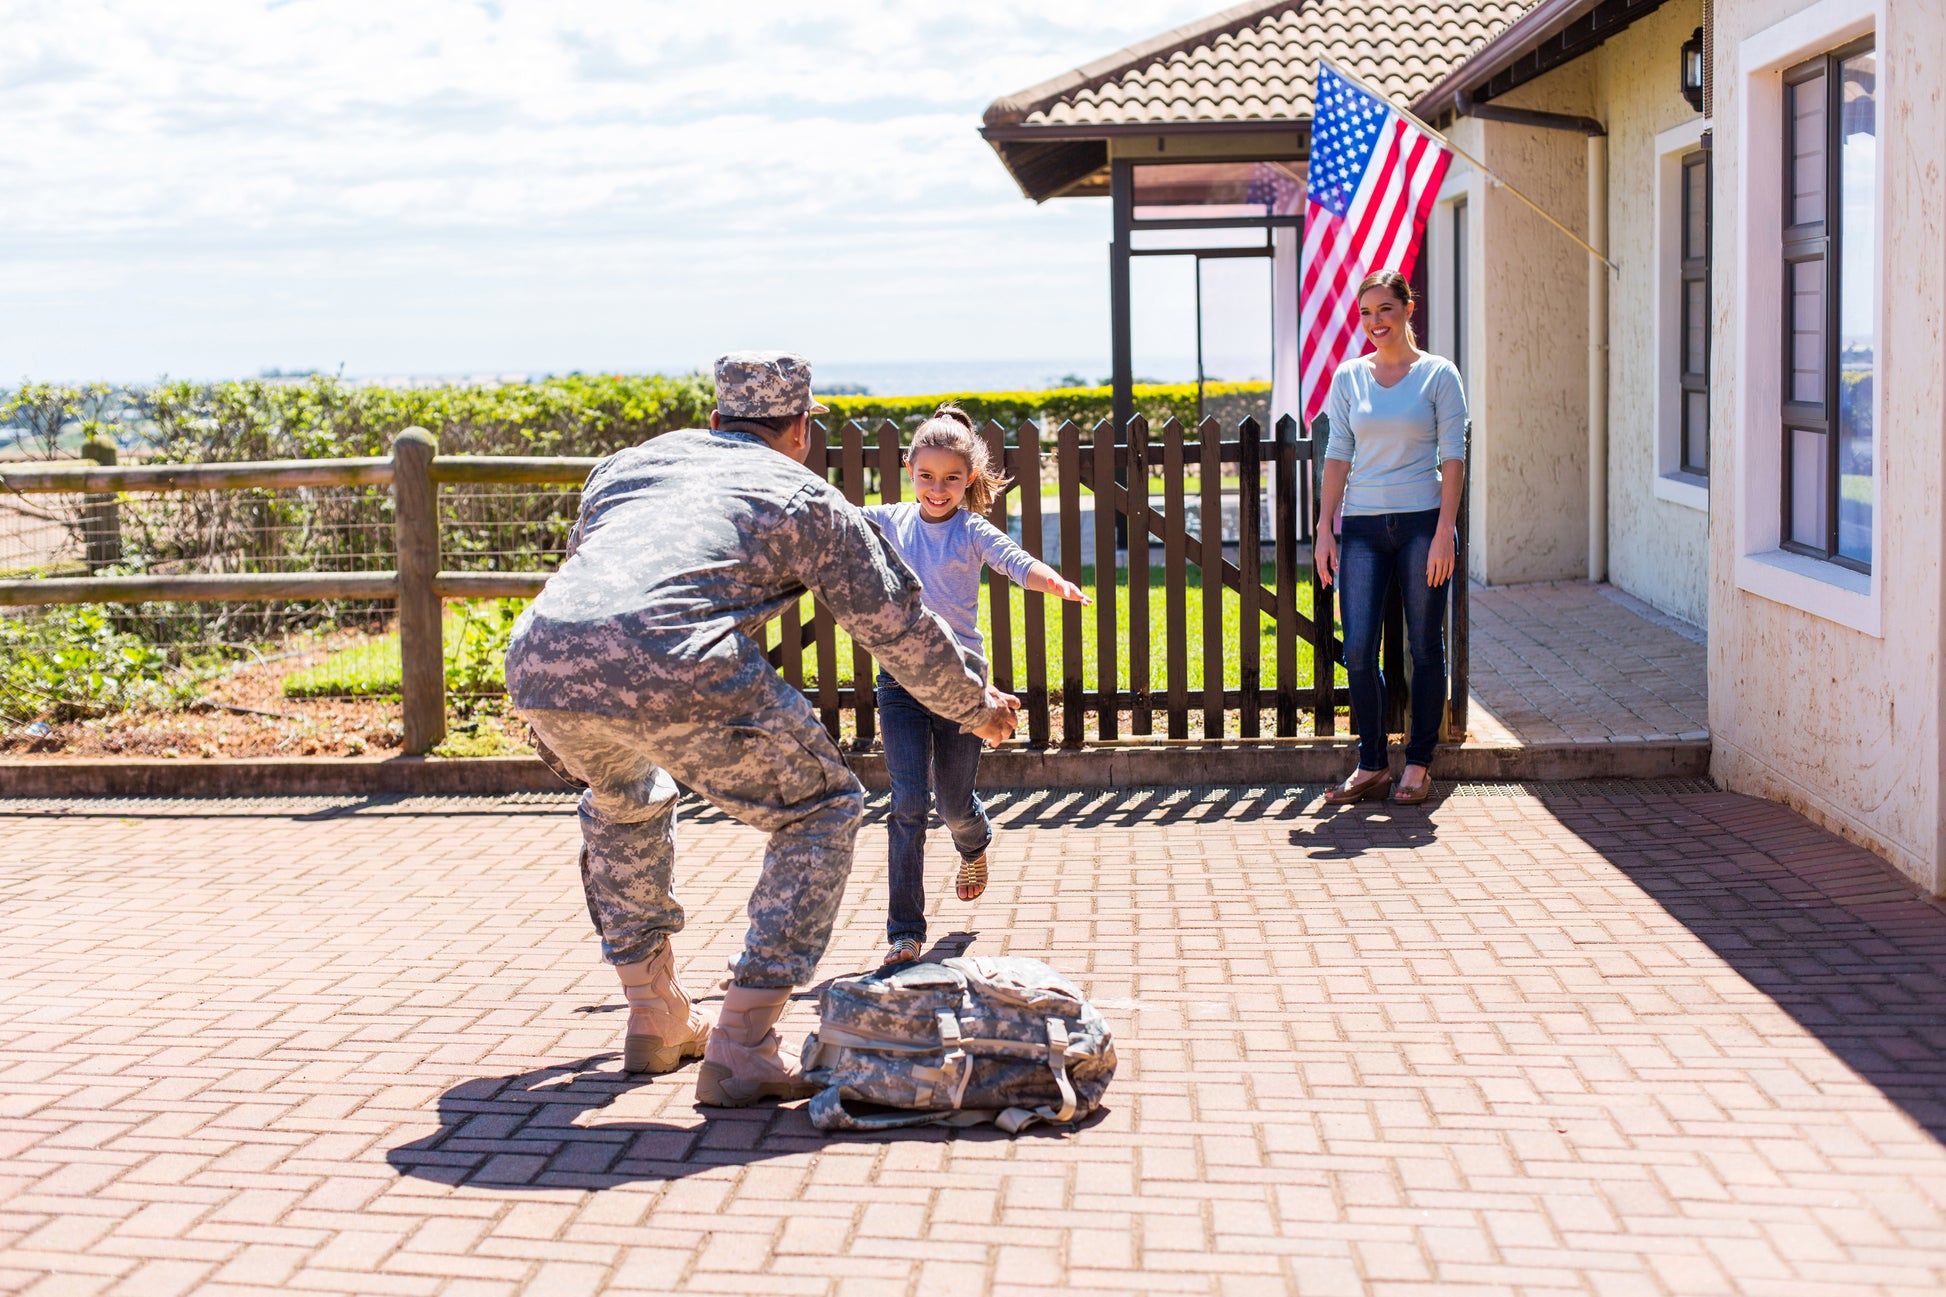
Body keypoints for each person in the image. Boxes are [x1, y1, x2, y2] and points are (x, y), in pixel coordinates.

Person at [505, 352, 1020, 1108]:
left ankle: (655, 1015)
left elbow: (596, 573)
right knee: (821, 808)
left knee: (624, 796)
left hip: (543, 656)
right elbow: (896, 626)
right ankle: (742, 1044)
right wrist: (975, 706)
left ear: (716, 422)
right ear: (802, 430)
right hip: (675, 654)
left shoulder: (627, 466)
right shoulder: (806, 495)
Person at [860, 404, 1090, 966]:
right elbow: (829, 519)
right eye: (927, 477)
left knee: (953, 803)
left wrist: (1055, 583)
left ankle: (975, 841)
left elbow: (1015, 561)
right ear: (910, 471)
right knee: (908, 803)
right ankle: (904, 933)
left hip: (965, 689)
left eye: (952, 478)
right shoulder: (889, 519)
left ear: (970, 480)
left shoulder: (970, 530)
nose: (938, 489)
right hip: (900, 682)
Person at [1311, 270, 1467, 806]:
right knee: (1357, 648)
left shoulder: (1439, 375)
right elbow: (1337, 455)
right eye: (1366, 313)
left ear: (1407, 308)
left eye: (1385, 309)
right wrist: (1324, 527)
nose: (1375, 322)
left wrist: (1446, 531)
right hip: (1361, 527)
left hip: (1424, 521)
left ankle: (1419, 763)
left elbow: (1453, 456)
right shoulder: (1349, 378)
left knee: (1424, 646)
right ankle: (1372, 763)